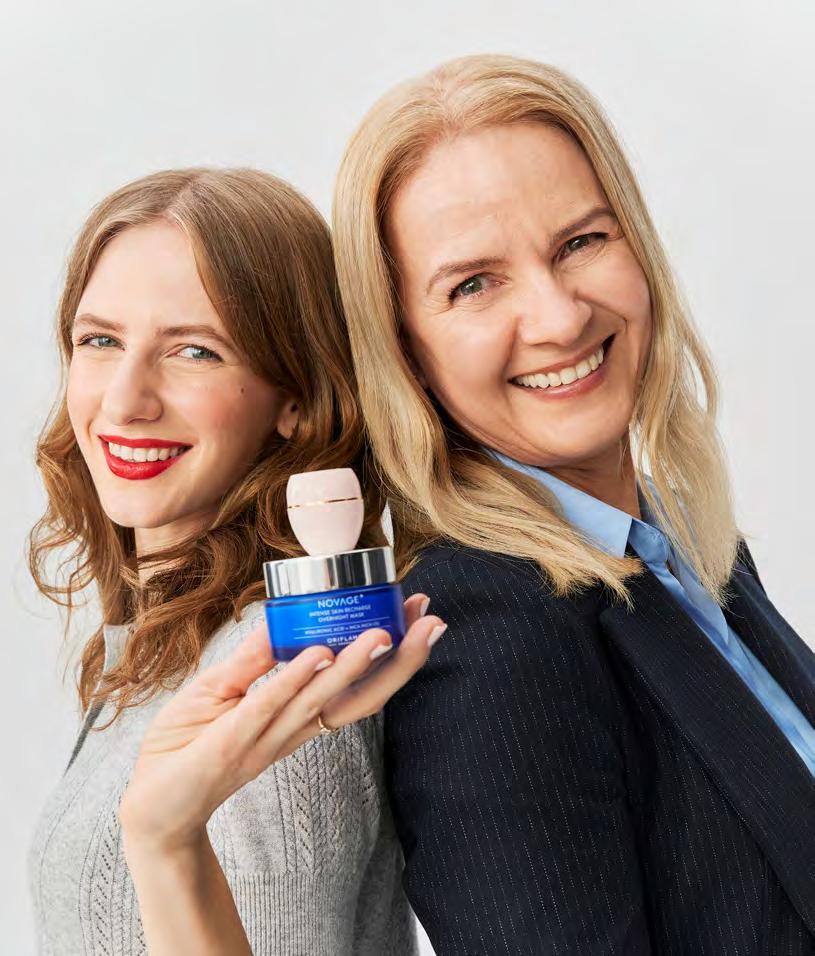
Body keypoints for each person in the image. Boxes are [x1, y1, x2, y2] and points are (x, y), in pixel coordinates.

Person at [332, 54, 815, 955]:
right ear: (404, 348)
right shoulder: (483, 633)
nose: (558, 318)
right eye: (472, 284)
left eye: (580, 242)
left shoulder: (682, 544)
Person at [28, 167, 445, 955]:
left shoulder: (277, 667)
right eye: (100, 341)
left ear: (296, 398)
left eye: (195, 351)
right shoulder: (167, 649)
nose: (124, 400)